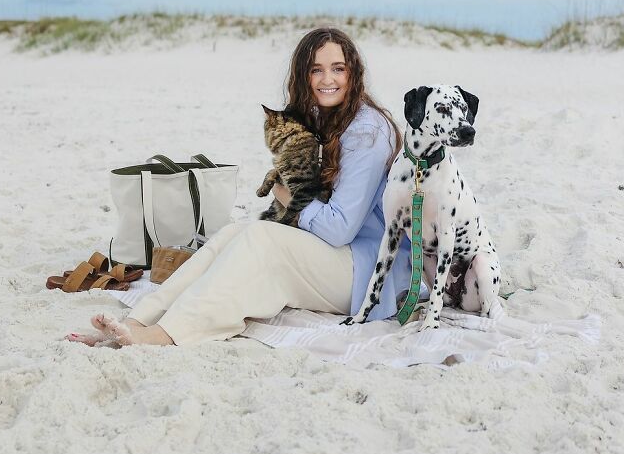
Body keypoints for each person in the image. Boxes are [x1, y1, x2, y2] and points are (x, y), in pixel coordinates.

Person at [67, 27, 413, 348]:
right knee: (236, 233)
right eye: (315, 70)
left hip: (365, 271)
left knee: (259, 239)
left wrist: (288, 198)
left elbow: (339, 229)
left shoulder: (368, 132)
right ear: (302, 76)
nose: (327, 79)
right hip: (337, 257)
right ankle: (137, 321)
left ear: (353, 73)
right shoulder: (325, 116)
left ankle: (165, 334)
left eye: (338, 68)